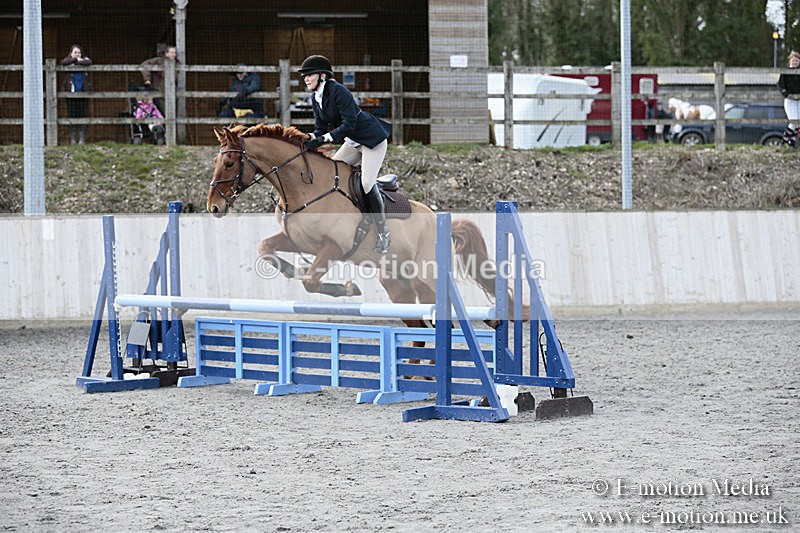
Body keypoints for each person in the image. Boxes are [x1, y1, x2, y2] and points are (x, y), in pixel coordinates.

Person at [298, 55, 393, 254]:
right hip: (352, 141)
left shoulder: (339, 91)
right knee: (330, 175)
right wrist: (307, 137)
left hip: (372, 140)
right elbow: (320, 127)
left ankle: (383, 233)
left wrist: (324, 139)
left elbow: (348, 124)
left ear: (322, 76)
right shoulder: (316, 97)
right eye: (304, 76)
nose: (305, 79)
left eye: (309, 75)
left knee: (367, 184)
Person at [61, 44, 92, 144]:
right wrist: (75, 60)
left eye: (79, 52)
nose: (77, 54)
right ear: (71, 53)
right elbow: (64, 62)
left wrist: (79, 60)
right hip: (71, 93)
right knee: (72, 115)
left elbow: (89, 62)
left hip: (83, 92)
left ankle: (82, 138)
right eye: (75, 52)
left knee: (83, 114)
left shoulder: (84, 60)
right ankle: (73, 138)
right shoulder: (69, 61)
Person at [139, 44, 177, 113]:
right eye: (172, 53)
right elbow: (144, 65)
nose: (173, 54)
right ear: (166, 53)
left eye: (174, 53)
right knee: (164, 114)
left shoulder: (176, 63)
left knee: (172, 114)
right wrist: (147, 79)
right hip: (159, 92)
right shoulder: (159, 61)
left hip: (172, 94)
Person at [778, 50, 800, 148]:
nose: (795, 62)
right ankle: (784, 140)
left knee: (798, 122)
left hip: (799, 100)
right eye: (793, 61)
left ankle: (792, 142)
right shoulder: (785, 72)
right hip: (790, 100)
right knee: (793, 121)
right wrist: (785, 93)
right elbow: (780, 85)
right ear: (790, 61)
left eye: (796, 61)